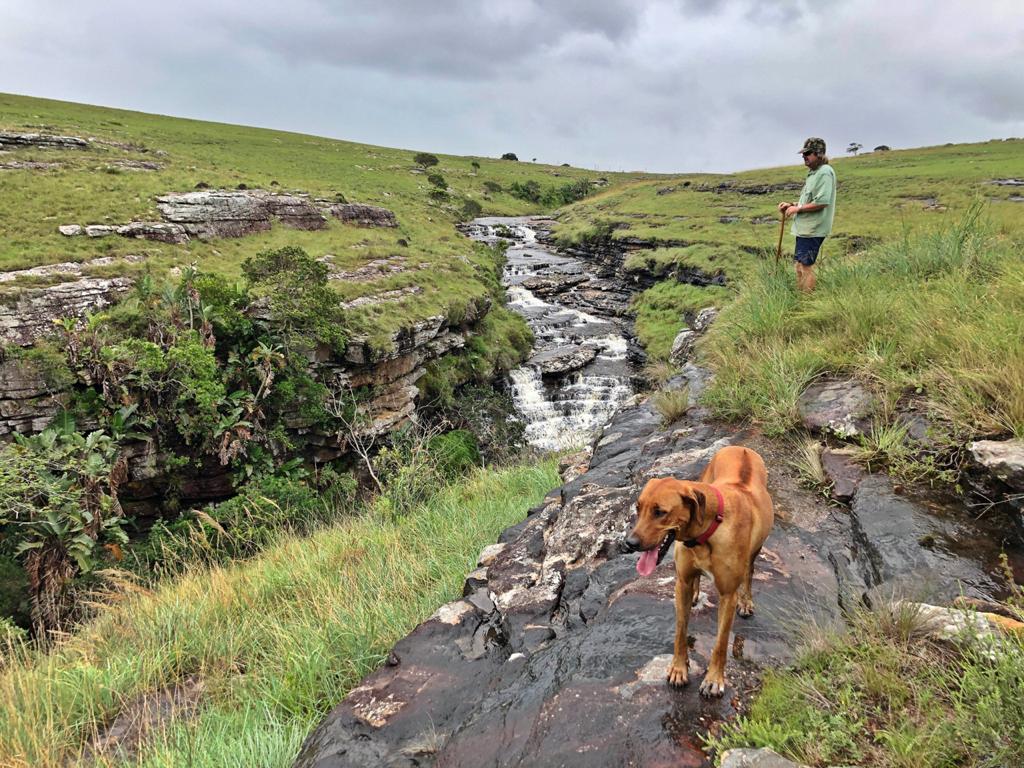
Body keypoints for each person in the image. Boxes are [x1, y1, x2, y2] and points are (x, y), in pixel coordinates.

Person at [777, 137, 836, 292]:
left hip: (813, 229)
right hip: (805, 228)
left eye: (808, 153)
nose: (804, 156)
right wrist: (792, 205)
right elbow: (810, 199)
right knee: (799, 265)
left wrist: (798, 209)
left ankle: (807, 300)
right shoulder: (813, 173)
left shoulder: (824, 173)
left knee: (806, 266)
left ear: (819, 153)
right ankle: (800, 296)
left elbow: (822, 202)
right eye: (803, 154)